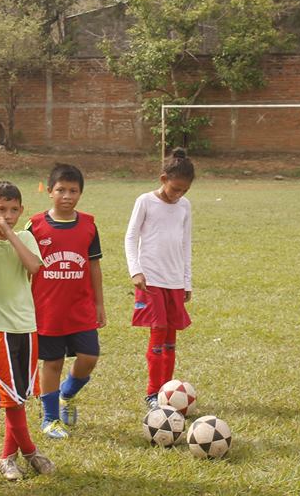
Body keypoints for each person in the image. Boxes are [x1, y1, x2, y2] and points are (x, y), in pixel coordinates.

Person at [0, 181, 54, 481]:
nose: (7, 215)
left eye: (13, 210)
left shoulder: (25, 237)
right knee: (10, 396)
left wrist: (9, 233)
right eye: (0, 210)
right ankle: (27, 452)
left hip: (25, 324)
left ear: (21, 211)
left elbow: (33, 267)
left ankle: (9, 455)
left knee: (19, 394)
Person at [26, 163, 104, 439]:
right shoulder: (35, 226)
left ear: (81, 193)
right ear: (49, 191)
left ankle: (67, 395)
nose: (67, 196)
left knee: (89, 357)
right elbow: (25, 267)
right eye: (61, 190)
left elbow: (94, 267)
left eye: (73, 191)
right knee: (52, 363)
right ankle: (50, 419)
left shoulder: (89, 226)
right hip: (47, 309)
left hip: (80, 307)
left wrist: (99, 304)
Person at [124, 148, 194, 410]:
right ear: (163, 178)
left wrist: (187, 282)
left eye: (184, 191)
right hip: (151, 279)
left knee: (170, 340)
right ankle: (153, 393)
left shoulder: (184, 206)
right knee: (157, 335)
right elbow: (131, 237)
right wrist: (136, 270)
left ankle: (168, 391)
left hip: (175, 281)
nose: (178, 195)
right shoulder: (145, 201)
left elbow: (186, 243)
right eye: (175, 189)